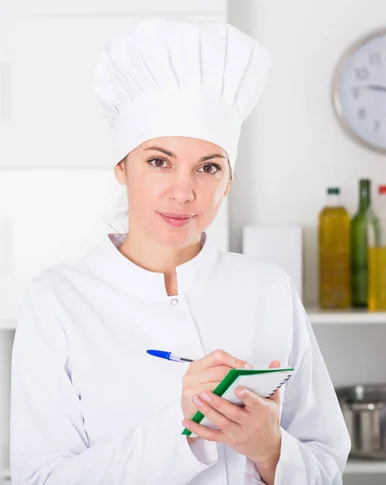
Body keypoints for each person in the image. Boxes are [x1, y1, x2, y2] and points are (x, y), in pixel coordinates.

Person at [9, 18, 351, 485]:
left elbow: (326, 467)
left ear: (229, 180)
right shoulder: (59, 299)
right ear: (121, 168)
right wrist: (182, 426)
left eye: (208, 168)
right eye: (158, 162)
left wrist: (272, 451)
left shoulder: (268, 287)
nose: (183, 191)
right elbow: (41, 479)